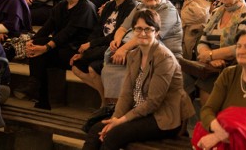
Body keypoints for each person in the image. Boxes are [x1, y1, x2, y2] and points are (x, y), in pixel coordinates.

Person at [83, 9, 195, 150]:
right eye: (138, 29)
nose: (142, 33)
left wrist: (121, 121)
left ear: (157, 32)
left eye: (148, 29)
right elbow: (126, 93)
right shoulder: (134, 55)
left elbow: (153, 102)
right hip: (140, 112)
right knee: (96, 130)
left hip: (164, 117)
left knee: (113, 135)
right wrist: (115, 118)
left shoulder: (164, 58)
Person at [21, 0, 97, 109]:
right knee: (37, 46)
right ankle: (36, 89)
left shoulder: (85, 7)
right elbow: (47, 27)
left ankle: (38, 92)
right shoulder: (61, 6)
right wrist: (31, 41)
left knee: (42, 53)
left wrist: (46, 47)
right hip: (62, 46)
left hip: (77, 50)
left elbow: (68, 33)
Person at [71, 0, 138, 105]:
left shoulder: (132, 6)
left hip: (114, 47)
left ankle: (105, 102)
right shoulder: (109, 5)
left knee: (93, 68)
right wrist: (88, 44)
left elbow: (117, 36)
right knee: (76, 66)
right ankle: (107, 100)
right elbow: (97, 29)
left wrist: (90, 45)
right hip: (99, 46)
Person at [195, 0, 246, 104]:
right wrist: (209, 57)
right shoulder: (216, 12)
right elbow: (203, 41)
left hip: (236, 66)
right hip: (212, 66)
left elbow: (241, 48)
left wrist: (212, 55)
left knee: (210, 97)